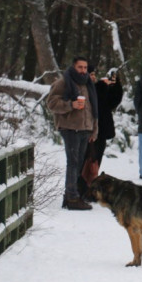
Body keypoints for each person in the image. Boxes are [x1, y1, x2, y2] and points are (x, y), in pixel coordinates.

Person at [46, 56, 98, 211]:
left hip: (85, 129)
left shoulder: (88, 83)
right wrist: (71, 104)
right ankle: (72, 198)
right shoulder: (63, 82)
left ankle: (70, 195)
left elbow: (93, 109)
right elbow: (52, 103)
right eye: (80, 67)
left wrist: (94, 129)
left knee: (79, 163)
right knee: (73, 162)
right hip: (70, 128)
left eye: (85, 67)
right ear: (73, 67)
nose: (83, 70)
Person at [77, 65, 124, 201]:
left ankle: (90, 190)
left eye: (94, 74)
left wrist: (116, 86)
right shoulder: (84, 88)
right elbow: (93, 101)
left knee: (94, 162)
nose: (93, 77)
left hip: (100, 131)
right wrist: (102, 86)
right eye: (90, 74)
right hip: (86, 131)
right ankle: (80, 190)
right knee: (84, 163)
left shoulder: (98, 88)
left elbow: (110, 102)